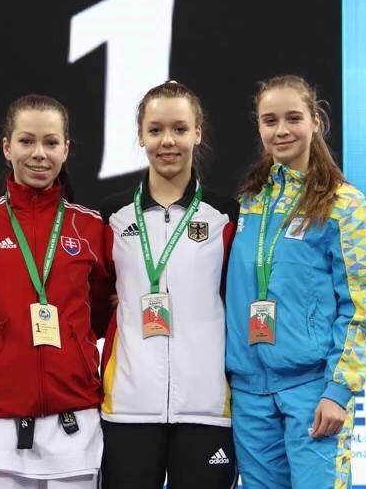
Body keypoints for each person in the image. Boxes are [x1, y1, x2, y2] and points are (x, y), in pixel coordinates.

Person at [225, 75, 366, 488]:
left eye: (293, 118)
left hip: (313, 390)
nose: (281, 130)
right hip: (250, 395)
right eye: (270, 120)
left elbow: (364, 306)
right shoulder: (249, 202)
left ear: (316, 121)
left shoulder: (344, 205)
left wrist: (338, 390)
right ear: (259, 127)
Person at [0, 94, 112, 489]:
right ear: (7, 147)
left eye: (51, 142)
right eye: (26, 141)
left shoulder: (90, 228)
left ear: (66, 149)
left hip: (73, 422)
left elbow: (101, 313)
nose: (39, 153)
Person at [99, 81, 238, 488]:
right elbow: (93, 296)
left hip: (207, 407)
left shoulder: (226, 216)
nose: (168, 141)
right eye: (156, 129)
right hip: (128, 407)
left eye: (179, 129)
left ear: (198, 133)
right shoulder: (110, 215)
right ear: (140, 135)